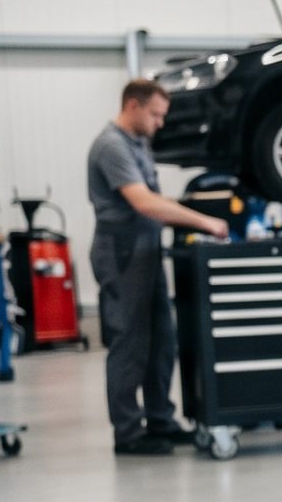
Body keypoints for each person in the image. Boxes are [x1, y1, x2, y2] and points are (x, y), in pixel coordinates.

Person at [87, 79, 228, 455]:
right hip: (121, 249)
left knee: (162, 339)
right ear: (132, 106)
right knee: (129, 341)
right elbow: (144, 203)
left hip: (146, 247)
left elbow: (154, 200)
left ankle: (160, 419)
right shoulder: (112, 145)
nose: (160, 123)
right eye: (155, 115)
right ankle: (128, 433)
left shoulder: (137, 144)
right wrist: (204, 221)